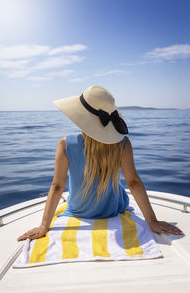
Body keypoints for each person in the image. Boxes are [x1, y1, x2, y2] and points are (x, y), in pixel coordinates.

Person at [17, 85, 183, 242]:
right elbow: (133, 182)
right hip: (113, 208)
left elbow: (57, 186)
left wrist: (44, 226)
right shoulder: (123, 144)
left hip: (78, 209)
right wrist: (152, 221)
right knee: (121, 189)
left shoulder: (65, 143)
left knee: (70, 192)